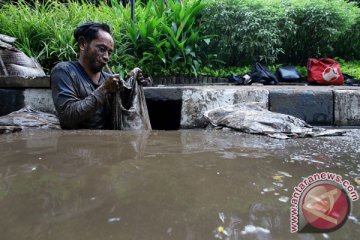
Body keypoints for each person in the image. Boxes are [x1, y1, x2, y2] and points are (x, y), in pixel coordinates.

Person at [51, 22, 142, 129]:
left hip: (107, 142)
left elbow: (125, 113)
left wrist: (135, 85)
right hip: (77, 143)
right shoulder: (64, 71)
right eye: (101, 49)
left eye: (109, 52)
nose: (106, 57)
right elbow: (67, 117)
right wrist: (104, 89)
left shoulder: (108, 79)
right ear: (83, 44)